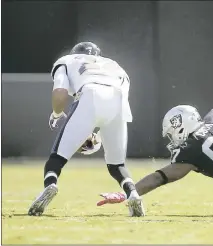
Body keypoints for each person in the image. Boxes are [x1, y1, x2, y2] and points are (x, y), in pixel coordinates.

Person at [28, 42, 144, 217]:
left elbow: (60, 92)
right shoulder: (115, 65)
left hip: (90, 94)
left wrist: (57, 113)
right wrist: (96, 133)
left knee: (57, 158)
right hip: (119, 103)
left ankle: (50, 185)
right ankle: (132, 193)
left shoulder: (67, 60)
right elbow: (116, 101)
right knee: (117, 164)